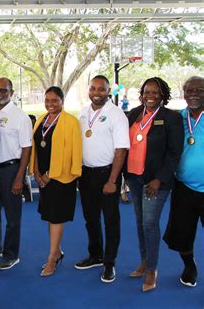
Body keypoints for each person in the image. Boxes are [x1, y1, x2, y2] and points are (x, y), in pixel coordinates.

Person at [124, 77, 184, 292]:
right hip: (133, 177)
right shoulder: (133, 114)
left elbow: (175, 152)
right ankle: (143, 261)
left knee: (149, 223)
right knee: (140, 221)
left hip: (155, 181)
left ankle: (151, 269)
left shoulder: (171, 118)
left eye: (155, 93)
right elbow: (124, 145)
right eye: (147, 92)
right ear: (141, 94)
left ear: (163, 95)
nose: (150, 96)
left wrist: (159, 178)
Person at [75, 75, 130, 283]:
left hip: (107, 174)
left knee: (111, 220)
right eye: (93, 88)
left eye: (101, 89)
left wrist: (113, 180)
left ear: (108, 91)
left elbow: (121, 150)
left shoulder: (116, 115)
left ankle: (109, 263)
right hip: (86, 174)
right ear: (88, 90)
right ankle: (96, 255)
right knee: (91, 218)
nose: (96, 93)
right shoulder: (83, 113)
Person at [29, 86, 82, 276]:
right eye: (47, 100)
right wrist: (36, 171)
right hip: (43, 178)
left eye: (55, 100)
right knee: (50, 216)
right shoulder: (42, 119)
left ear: (62, 101)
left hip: (61, 178)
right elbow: (36, 146)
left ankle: (52, 258)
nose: (50, 104)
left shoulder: (71, 122)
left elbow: (71, 153)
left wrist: (49, 175)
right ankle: (57, 251)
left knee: (57, 217)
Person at [0, 77, 32, 270]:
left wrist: (20, 177)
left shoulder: (20, 116)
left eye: (4, 90)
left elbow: (26, 148)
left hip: (10, 170)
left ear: (11, 93)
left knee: (12, 217)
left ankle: (11, 255)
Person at [164, 76, 204, 288]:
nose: (194, 94)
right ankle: (189, 266)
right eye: (189, 90)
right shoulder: (177, 118)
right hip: (184, 188)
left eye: (199, 90)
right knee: (182, 233)